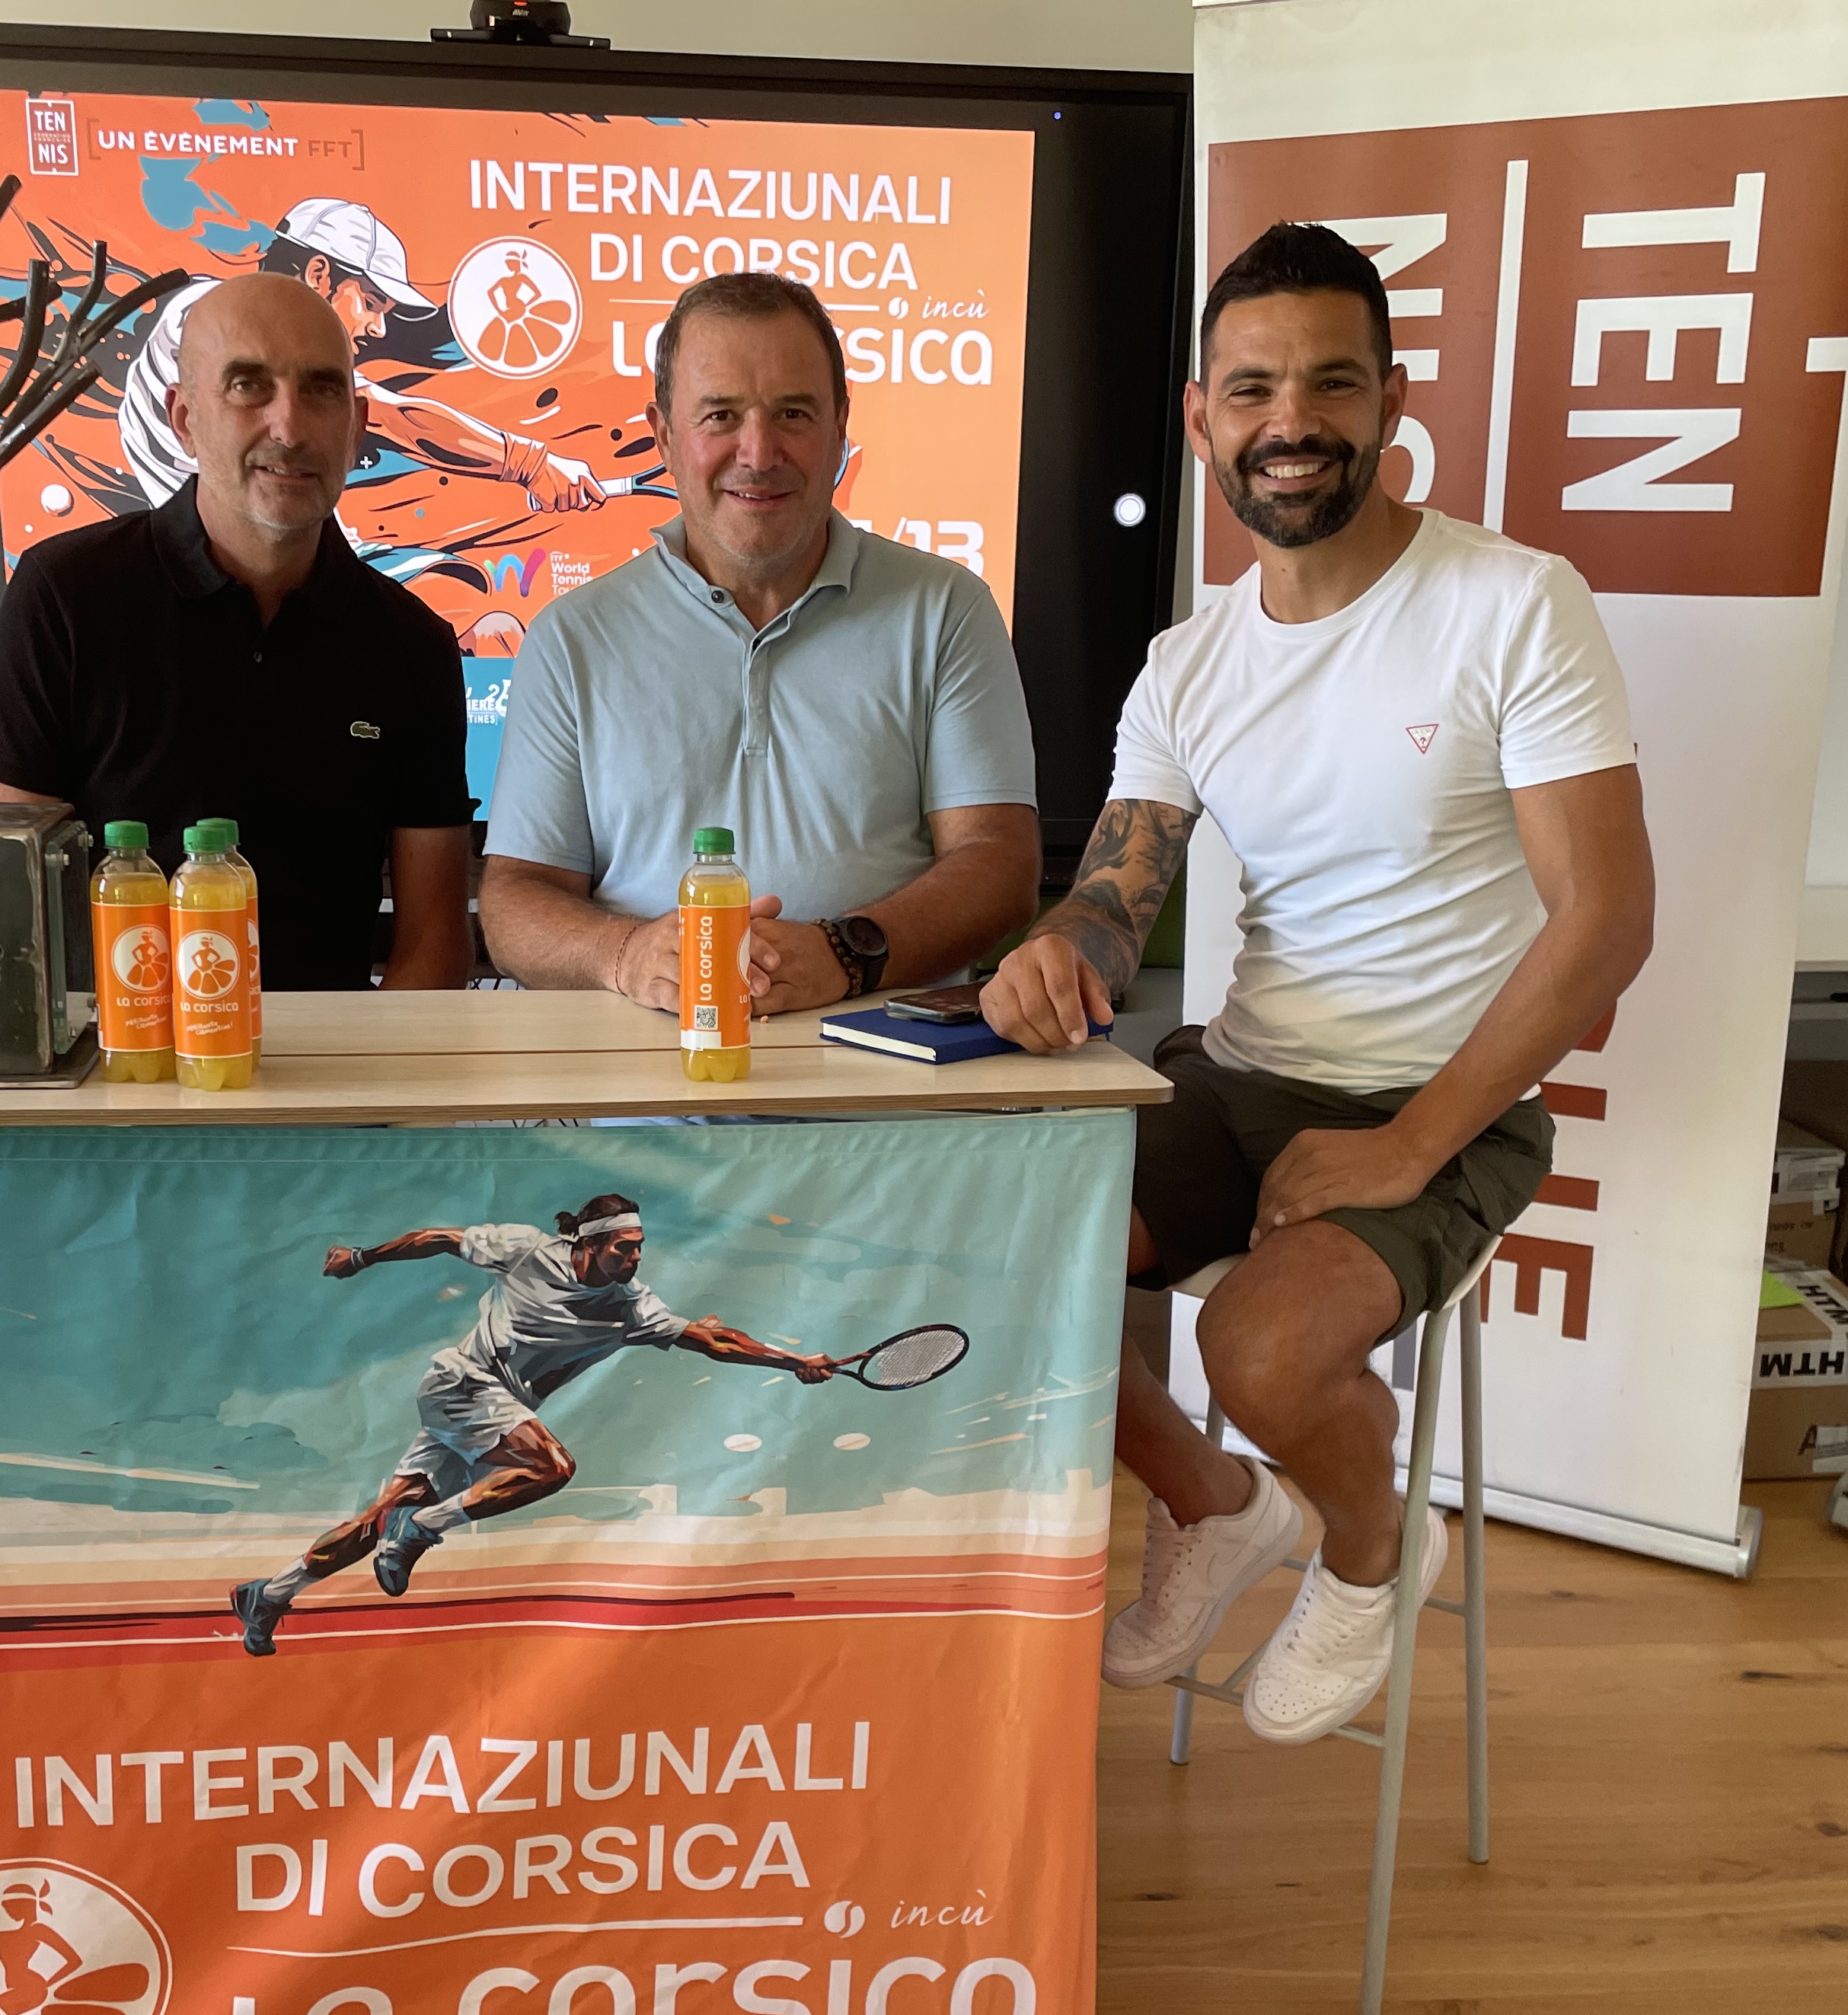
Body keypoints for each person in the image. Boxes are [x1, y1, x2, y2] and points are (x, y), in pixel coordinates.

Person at [984, 223, 1656, 1745]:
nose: (1291, 421)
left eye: (1332, 384)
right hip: (1234, 1074)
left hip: (1441, 1103)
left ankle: (1370, 1550)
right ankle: (1220, 1505)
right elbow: (1117, 892)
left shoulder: (1514, 601)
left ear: (1392, 400)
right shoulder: (1189, 661)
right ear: (1201, 417)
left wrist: (1407, 1143)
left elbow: (1607, 919)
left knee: (1262, 1351)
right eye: (1254, 388)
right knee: (1000, 1258)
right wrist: (1057, 951)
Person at [478, 270, 1039, 1014]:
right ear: (663, 436)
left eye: (793, 414)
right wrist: (627, 955)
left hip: (889, 1072)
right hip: (639, 1072)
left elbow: (999, 863)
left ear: (840, 428)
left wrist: (845, 954)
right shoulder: (571, 638)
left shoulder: (946, 611)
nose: (758, 451)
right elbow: (515, 898)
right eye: (720, 415)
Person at [0, 272, 475, 991]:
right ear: (184, 418)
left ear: (356, 423)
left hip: (337, 1059)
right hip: (120, 1052)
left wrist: (368, 1069)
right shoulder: (66, 596)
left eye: (321, 389)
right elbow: (9, 903)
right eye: (248, 386)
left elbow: (434, 943)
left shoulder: (413, 644)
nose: (289, 428)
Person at [230, 1192, 839, 1653]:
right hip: (462, 1383)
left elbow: (715, 1339)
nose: (634, 1257)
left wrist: (793, 1363)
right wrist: (362, 1258)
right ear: (589, 1245)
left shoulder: (632, 1307)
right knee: (552, 1467)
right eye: (623, 1247)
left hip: (479, 1415)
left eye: (639, 1247)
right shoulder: (526, 1250)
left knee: (374, 1523)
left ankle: (270, 1594)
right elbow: (438, 1238)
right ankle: (422, 1527)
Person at [117, 198, 608, 519]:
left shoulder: (213, 307)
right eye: (372, 303)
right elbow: (396, 419)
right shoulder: (217, 323)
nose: (378, 328)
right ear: (318, 275)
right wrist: (527, 463)